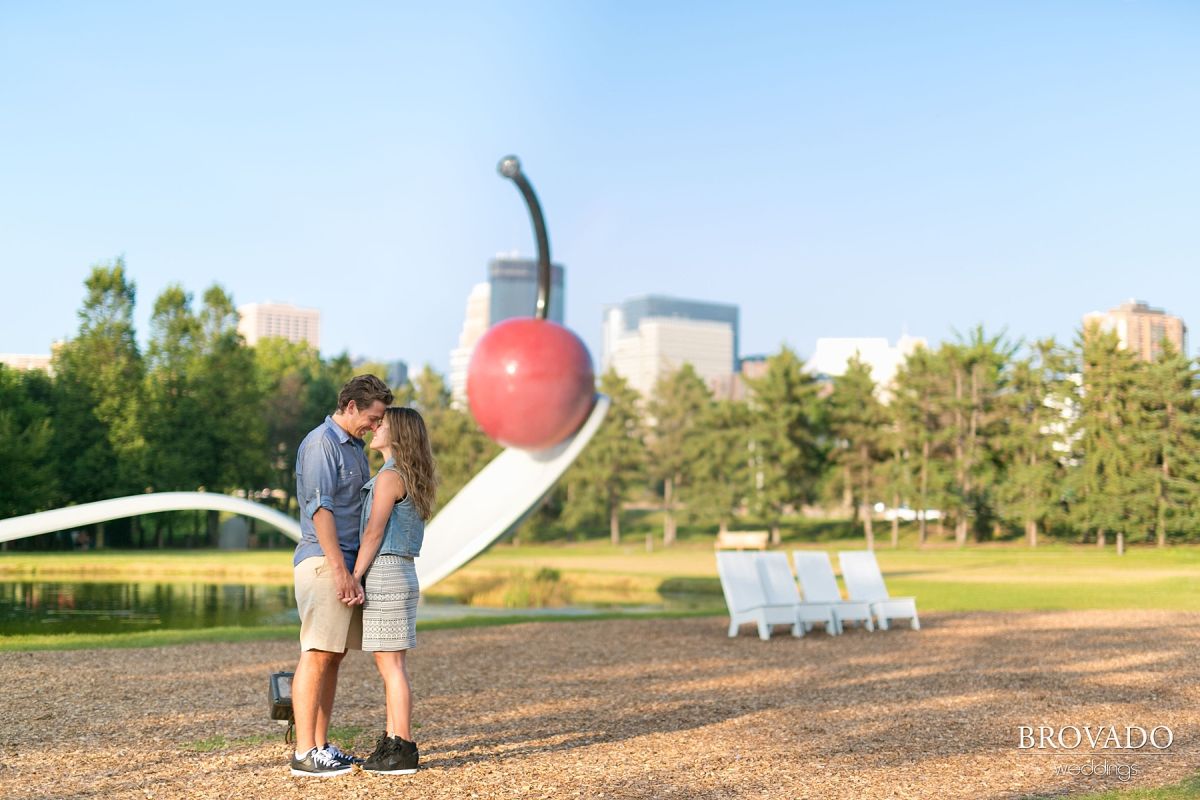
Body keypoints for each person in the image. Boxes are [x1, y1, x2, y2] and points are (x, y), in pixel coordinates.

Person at [289, 374, 394, 777]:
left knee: (333, 655)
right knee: (316, 653)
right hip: (324, 563)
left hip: (346, 565)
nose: (376, 425)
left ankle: (319, 746)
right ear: (351, 407)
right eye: (373, 416)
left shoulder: (354, 448)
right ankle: (304, 753)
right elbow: (321, 512)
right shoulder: (321, 444)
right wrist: (340, 572)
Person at [350, 406, 438, 775]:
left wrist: (354, 575)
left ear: (397, 434)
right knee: (390, 664)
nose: (375, 427)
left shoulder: (389, 479)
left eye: (381, 424)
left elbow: (373, 533)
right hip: (400, 571)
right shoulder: (404, 475)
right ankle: (391, 740)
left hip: (385, 570)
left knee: (391, 666)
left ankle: (402, 748)